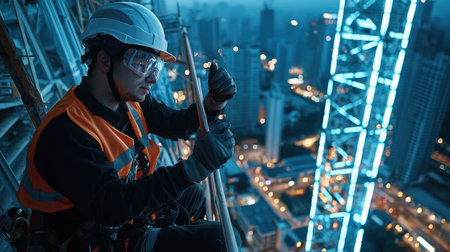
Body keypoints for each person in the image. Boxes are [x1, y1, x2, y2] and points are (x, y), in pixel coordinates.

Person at [16, 2, 241, 251]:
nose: (153, 77)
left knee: (194, 196)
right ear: (104, 60)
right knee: (220, 241)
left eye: (155, 66)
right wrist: (193, 168)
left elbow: (178, 125)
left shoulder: (129, 102)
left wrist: (213, 102)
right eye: (142, 63)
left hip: (123, 218)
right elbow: (111, 207)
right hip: (88, 237)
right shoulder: (67, 131)